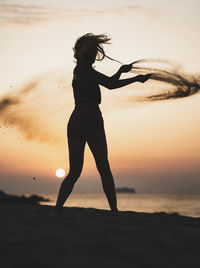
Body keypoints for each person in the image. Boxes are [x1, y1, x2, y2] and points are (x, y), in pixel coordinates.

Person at [56, 33, 151, 212]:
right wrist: (137, 79)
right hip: (91, 121)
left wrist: (121, 72)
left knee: (76, 171)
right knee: (103, 168)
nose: (94, 56)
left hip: (77, 121)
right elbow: (110, 85)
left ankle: (58, 209)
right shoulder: (84, 71)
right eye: (91, 52)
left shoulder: (82, 71)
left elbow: (108, 82)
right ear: (86, 54)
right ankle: (113, 211)